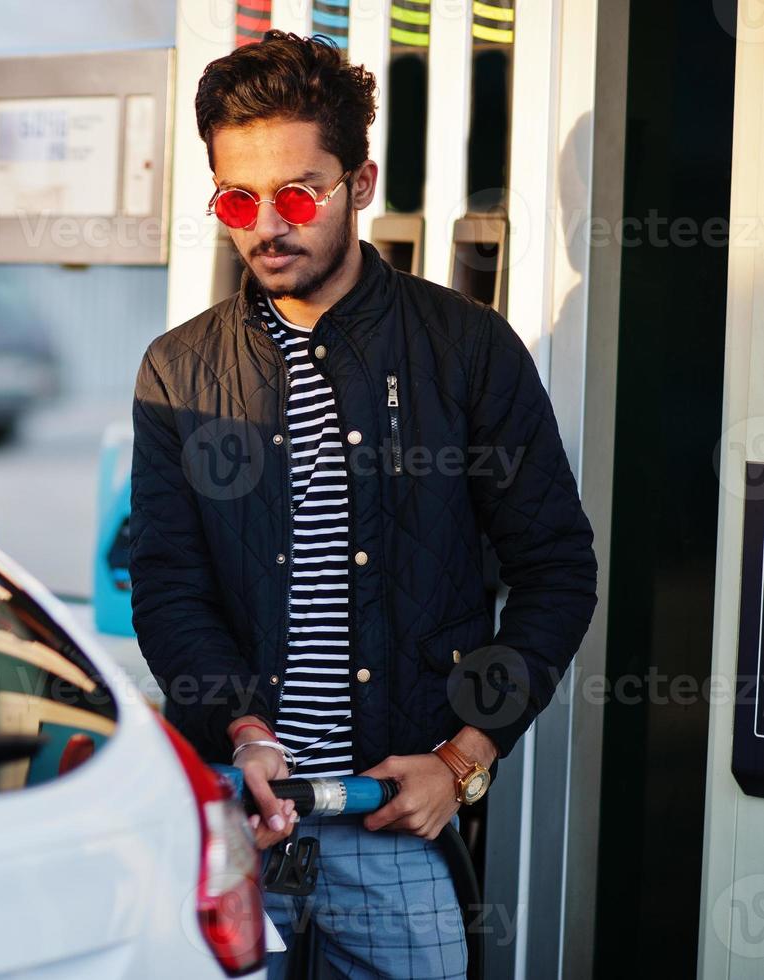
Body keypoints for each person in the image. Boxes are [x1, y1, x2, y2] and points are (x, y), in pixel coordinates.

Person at [127, 31, 598, 979]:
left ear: (360, 182)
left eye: (298, 194)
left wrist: (463, 759)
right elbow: (169, 588)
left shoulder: (465, 350)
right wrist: (242, 731)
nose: (267, 224)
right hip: (237, 814)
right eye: (236, 199)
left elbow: (557, 572)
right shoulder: (178, 372)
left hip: (386, 813)